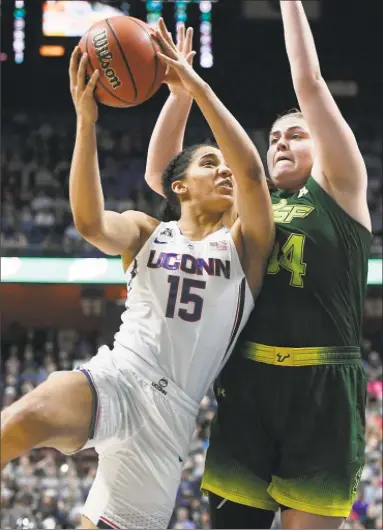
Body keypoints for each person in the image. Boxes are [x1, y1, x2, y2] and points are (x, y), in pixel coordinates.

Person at [0, 19, 274, 530]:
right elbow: (88, 222)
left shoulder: (245, 246)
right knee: (22, 418)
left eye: (225, 167)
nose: (225, 172)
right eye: (210, 164)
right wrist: (87, 122)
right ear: (180, 186)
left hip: (168, 419)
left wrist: (193, 86)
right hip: (118, 374)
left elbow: (254, 175)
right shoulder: (149, 232)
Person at [144, 3, 372, 529]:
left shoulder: (341, 192)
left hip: (323, 387)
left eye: (295, 134)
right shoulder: (250, 207)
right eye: (273, 139)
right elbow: (164, 176)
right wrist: (179, 97)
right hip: (246, 384)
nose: (279, 142)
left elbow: (309, 84)